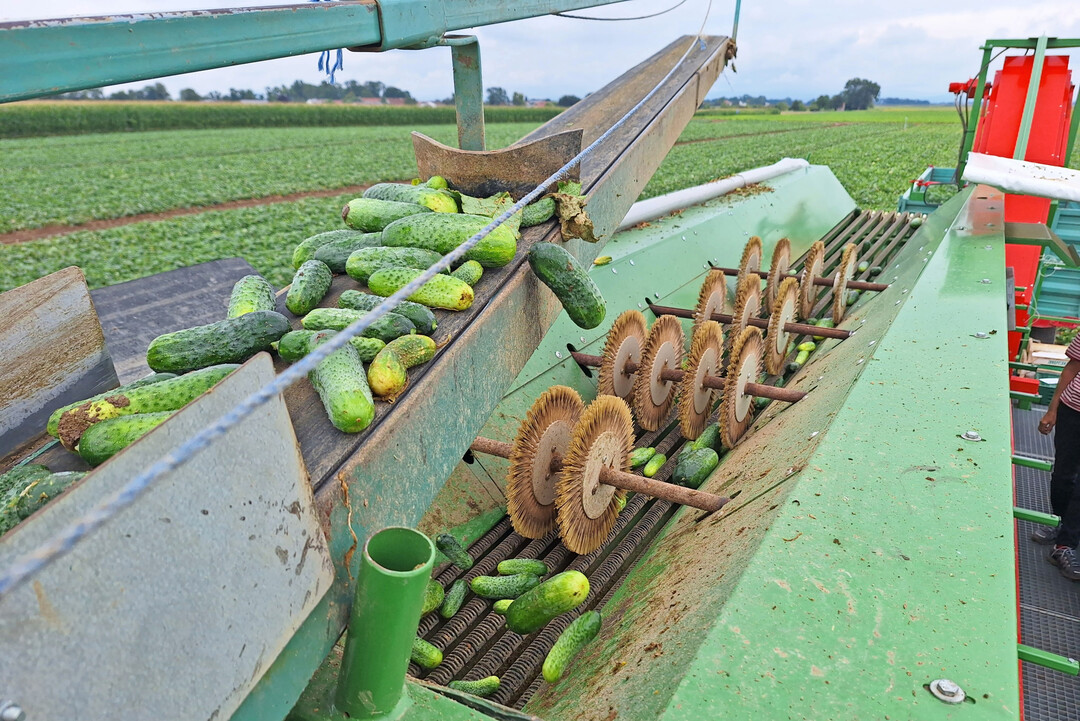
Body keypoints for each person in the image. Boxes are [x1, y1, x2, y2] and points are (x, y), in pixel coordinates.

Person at [1035, 333, 1080, 580]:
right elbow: (1072, 367)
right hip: (1073, 410)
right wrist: (1052, 409)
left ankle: (1064, 545)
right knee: (1063, 475)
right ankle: (1063, 523)